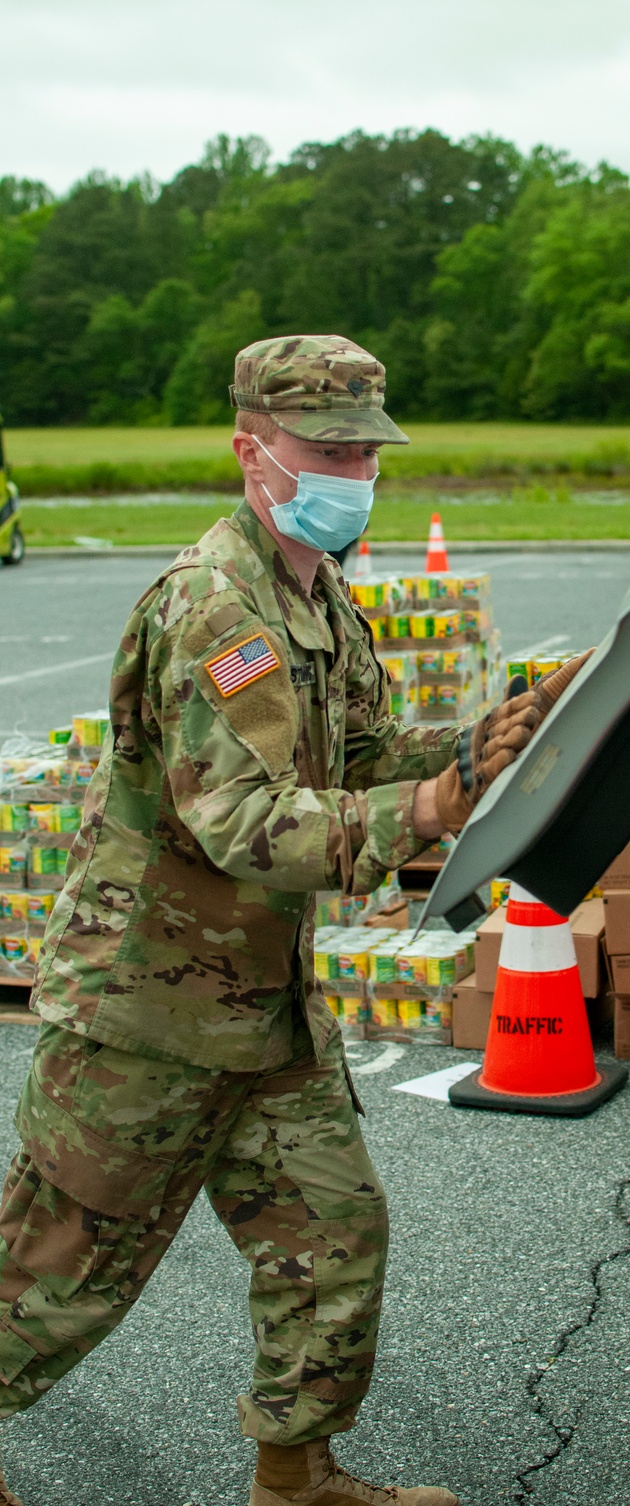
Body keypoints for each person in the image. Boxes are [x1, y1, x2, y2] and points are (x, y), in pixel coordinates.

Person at [0, 335, 587, 1506]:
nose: (354, 475)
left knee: (333, 1234)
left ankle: (295, 1474)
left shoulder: (313, 596)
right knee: (58, 1273)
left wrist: (488, 738)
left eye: (368, 452)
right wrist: (428, 805)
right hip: (147, 1014)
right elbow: (242, 822)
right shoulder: (218, 613)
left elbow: (361, 752)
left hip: (260, 1008)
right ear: (252, 452)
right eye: (328, 450)